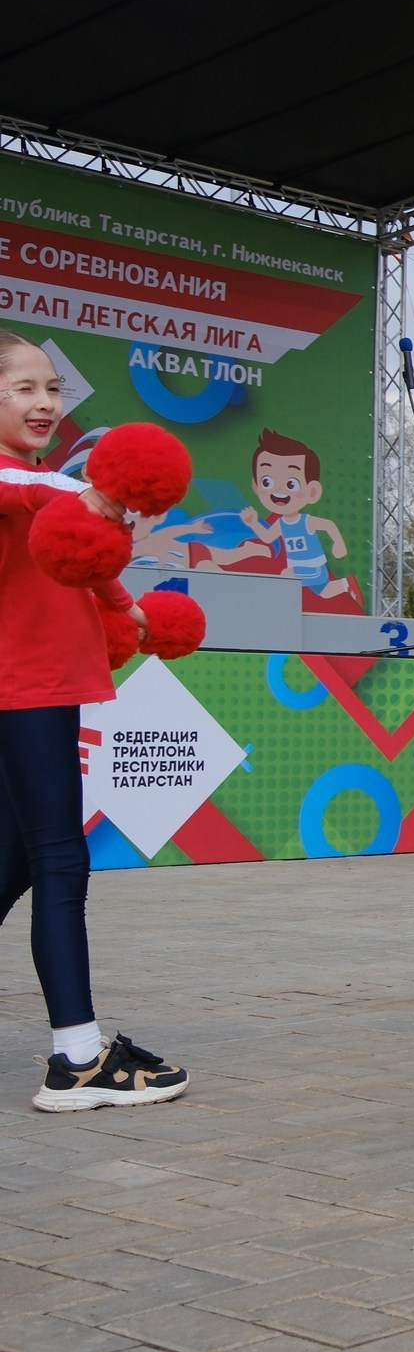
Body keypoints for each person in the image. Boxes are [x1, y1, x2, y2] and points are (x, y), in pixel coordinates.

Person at [0, 331, 190, 1111]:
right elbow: (33, 494)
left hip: (42, 685)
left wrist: (133, 611)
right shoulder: (21, 481)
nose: (46, 402)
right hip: (26, 687)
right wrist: (96, 495)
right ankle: (77, 1057)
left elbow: (89, 562)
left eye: (52, 388)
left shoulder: (44, 481)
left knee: (16, 861)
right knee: (58, 860)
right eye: (24, 389)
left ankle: (77, 1048)